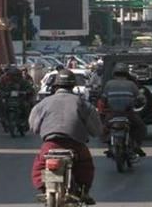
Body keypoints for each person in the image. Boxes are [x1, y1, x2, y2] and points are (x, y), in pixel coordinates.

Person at [30, 69, 102, 205]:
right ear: (73, 86)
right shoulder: (83, 104)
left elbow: (33, 127)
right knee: (86, 165)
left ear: (56, 86)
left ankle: (43, 190)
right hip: (75, 145)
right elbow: (96, 130)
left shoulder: (43, 104)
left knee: (39, 166)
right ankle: (84, 192)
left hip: (50, 145)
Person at [101, 62, 147, 157]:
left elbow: (103, 99)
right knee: (141, 127)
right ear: (126, 73)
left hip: (113, 113)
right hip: (128, 113)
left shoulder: (109, 84)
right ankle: (136, 146)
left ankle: (109, 145)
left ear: (114, 73)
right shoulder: (131, 84)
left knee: (104, 127)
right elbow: (140, 99)